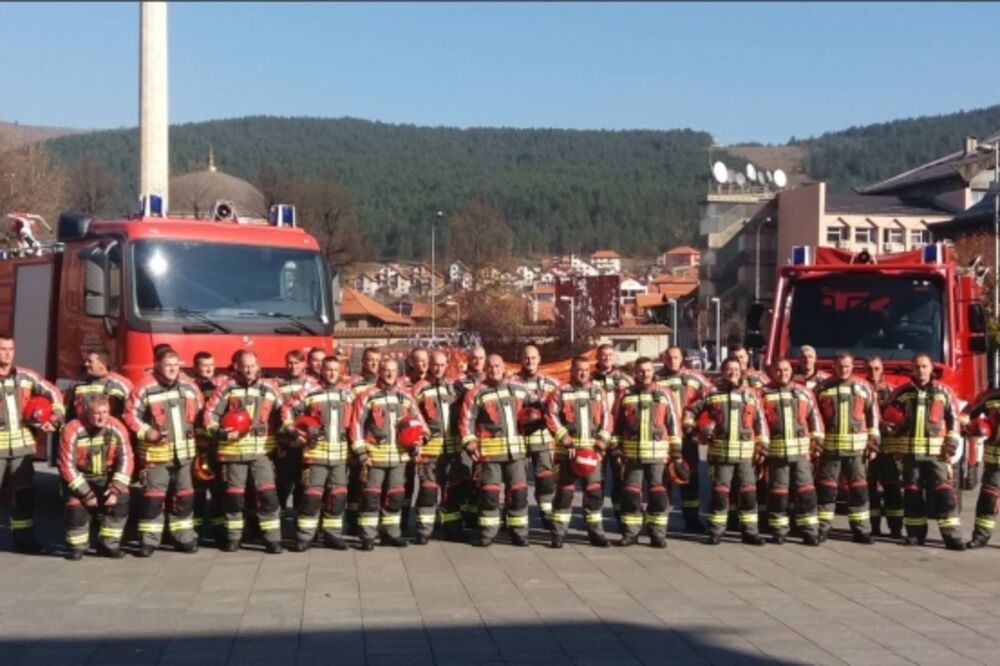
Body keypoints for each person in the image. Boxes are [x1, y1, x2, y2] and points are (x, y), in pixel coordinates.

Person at [124, 348, 203, 556]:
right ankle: (149, 541)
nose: (173, 369)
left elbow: (201, 412)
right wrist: (148, 432)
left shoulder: (189, 386)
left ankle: (183, 537)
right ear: (157, 365)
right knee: (153, 499)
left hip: (184, 456)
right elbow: (130, 416)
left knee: (184, 498)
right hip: (156, 455)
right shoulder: (144, 387)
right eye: (169, 365)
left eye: (176, 365)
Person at [205, 350, 285, 553]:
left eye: (252, 365)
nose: (248, 369)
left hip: (261, 453)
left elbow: (286, 412)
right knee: (234, 499)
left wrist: (289, 430)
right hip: (233, 453)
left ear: (258, 366)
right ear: (237, 367)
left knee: (268, 497)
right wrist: (220, 433)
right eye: (244, 365)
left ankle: (272, 539)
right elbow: (209, 414)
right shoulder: (226, 388)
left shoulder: (270, 388)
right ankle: (234, 538)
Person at [882, 353, 965, 550]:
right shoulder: (901, 393)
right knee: (912, 494)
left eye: (924, 366)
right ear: (912, 369)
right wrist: (892, 427)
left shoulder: (944, 392)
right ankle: (915, 535)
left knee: (944, 495)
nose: (921, 370)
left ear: (931, 369)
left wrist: (951, 445)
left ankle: (952, 536)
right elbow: (887, 415)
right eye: (917, 366)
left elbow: (955, 420)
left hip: (937, 456)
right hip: (911, 455)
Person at [687, 357, 768, 545]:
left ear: (742, 371)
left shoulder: (751, 395)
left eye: (736, 369)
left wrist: (762, 447)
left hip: (746, 456)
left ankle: (750, 532)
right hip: (721, 455)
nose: (733, 372)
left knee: (748, 494)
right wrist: (693, 430)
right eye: (729, 369)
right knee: (720, 494)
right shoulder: (710, 392)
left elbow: (761, 422)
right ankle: (716, 531)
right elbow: (690, 411)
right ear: (723, 372)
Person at [349, 358, 427, 550]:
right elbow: (356, 425)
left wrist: (420, 440)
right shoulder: (367, 396)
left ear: (398, 373)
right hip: (374, 458)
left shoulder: (405, 397)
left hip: (399, 459)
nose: (390, 374)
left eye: (393, 371)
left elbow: (422, 425)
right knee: (370, 498)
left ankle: (391, 533)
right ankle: (367, 536)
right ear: (379, 373)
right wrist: (360, 452)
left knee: (396, 497)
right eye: (386, 370)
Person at [282, 356, 354, 552]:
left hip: (339, 456)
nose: (332, 373)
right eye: (328, 369)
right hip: (315, 455)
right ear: (321, 370)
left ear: (341, 371)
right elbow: (287, 409)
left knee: (338, 497)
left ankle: (332, 535)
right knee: (311, 497)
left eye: (335, 369)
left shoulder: (347, 393)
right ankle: (305, 537)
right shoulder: (309, 390)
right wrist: (292, 430)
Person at [0, 335, 64, 553]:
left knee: (24, 497)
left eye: (10, 349)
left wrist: (54, 418)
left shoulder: (27, 377)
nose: (7, 353)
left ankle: (24, 541)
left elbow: (54, 393)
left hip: (22, 450)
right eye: (2, 349)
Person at [459, 353, 531, 547]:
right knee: (489, 496)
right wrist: (470, 443)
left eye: (497, 366)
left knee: (519, 495)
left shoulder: (519, 389)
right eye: (490, 367)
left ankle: (519, 533)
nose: (494, 370)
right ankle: (487, 533)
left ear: (504, 367)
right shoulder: (477, 393)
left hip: (516, 454)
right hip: (489, 455)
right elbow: (466, 420)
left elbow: (537, 407)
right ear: (485, 370)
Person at [611, 356, 682, 548]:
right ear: (635, 373)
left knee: (658, 497)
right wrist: (616, 450)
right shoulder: (625, 395)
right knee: (631, 497)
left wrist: (676, 453)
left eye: (648, 370)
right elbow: (616, 425)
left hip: (659, 457)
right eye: (641, 371)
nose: (645, 374)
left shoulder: (664, 394)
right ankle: (631, 534)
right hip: (633, 457)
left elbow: (674, 423)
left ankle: (657, 535)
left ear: (653, 372)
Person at [546, 355, 612, 548]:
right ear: (571, 370)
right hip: (568, 455)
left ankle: (596, 533)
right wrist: (565, 440)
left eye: (585, 369)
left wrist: (601, 444)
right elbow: (551, 417)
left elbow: (608, 419)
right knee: (565, 494)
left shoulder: (598, 392)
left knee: (594, 495)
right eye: (578, 369)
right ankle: (558, 534)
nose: (582, 373)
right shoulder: (560, 392)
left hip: (592, 455)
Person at [58, 395, 133, 560]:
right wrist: (85, 493)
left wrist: (115, 489)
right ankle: (77, 547)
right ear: (86, 413)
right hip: (80, 478)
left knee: (121, 500)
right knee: (76, 509)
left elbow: (126, 460)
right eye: (97, 413)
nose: (102, 417)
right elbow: (66, 465)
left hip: (106, 477)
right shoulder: (72, 429)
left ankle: (109, 545)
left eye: (105, 412)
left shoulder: (117, 427)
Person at [814, 352, 879, 544]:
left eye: (848, 367)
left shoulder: (864, 388)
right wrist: (816, 446)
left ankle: (861, 530)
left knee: (859, 491)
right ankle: (823, 529)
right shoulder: (822, 388)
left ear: (853, 367)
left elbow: (873, 417)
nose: (844, 370)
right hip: (830, 451)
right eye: (840, 366)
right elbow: (815, 418)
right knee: (826, 491)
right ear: (833, 366)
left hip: (856, 452)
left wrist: (873, 444)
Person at [761, 359, 823, 545]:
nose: (783, 373)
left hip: (802, 454)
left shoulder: (804, 392)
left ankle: (810, 531)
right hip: (777, 455)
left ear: (792, 370)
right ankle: (779, 531)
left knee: (807, 494)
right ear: (772, 372)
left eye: (786, 370)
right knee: (779, 494)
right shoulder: (762, 393)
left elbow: (815, 419)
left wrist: (818, 444)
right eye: (778, 370)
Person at [655, 345, 713, 533]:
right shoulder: (655, 380)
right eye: (669, 357)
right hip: (663, 439)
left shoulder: (694, 378)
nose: (673, 361)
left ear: (682, 359)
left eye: (676, 357)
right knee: (662, 480)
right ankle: (660, 522)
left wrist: (703, 422)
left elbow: (712, 395)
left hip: (687, 438)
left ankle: (692, 520)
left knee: (689, 479)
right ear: (664, 359)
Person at [411, 351, 459, 544]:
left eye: (442, 365)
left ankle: (451, 528)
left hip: (452, 450)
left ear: (447, 365)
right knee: (428, 491)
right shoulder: (419, 389)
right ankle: (424, 531)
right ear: (429, 365)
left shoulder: (454, 387)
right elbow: (412, 418)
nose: (438, 369)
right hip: (430, 451)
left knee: (452, 492)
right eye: (435, 365)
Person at [515, 345, 560, 527]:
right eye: (526, 357)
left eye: (533, 358)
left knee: (546, 480)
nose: (530, 361)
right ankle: (514, 514)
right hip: (518, 440)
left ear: (539, 359)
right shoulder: (511, 381)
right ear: (521, 359)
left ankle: (546, 513)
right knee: (517, 482)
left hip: (542, 441)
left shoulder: (552, 383)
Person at [591, 344, 633, 525]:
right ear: (597, 357)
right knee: (595, 480)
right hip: (596, 438)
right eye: (603, 355)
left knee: (620, 479)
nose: (607, 358)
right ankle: (594, 517)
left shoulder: (625, 380)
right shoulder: (589, 379)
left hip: (618, 438)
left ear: (614, 357)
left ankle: (620, 516)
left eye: (610, 355)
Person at [344, 347, 381, 535]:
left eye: (377, 360)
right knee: (356, 482)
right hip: (358, 441)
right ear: (363, 362)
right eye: (370, 360)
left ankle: (374, 522)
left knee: (375, 486)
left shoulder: (387, 383)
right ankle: (352, 522)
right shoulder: (352, 384)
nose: (374, 363)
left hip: (379, 444)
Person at [275, 349, 318, 513]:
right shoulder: (278, 384)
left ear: (304, 364)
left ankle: (301, 520)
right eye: (289, 363)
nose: (292, 366)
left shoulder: (313, 384)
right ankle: (278, 519)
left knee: (304, 485)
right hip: (285, 443)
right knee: (282, 484)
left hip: (306, 444)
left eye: (296, 363)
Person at [451, 345, 487, 531]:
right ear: (468, 359)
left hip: (488, 439)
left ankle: (479, 515)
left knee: (484, 480)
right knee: (465, 477)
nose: (478, 361)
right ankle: (465, 515)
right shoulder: (458, 382)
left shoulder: (492, 381)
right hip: (466, 438)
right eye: (474, 358)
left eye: (481, 358)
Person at [865, 356, 902, 538]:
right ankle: (873, 527)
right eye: (870, 369)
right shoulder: (860, 391)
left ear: (882, 370)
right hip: (869, 449)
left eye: (877, 369)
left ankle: (895, 529)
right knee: (869, 489)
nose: (873, 373)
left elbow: (903, 417)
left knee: (893, 488)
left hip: (888, 449)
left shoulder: (893, 392)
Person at [191, 351, 225, 542]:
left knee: (219, 490)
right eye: (204, 365)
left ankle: (218, 528)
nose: (209, 369)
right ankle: (196, 529)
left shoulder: (220, 387)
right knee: (197, 491)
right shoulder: (190, 388)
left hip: (217, 447)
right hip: (197, 447)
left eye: (211, 364)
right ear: (196, 367)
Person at [963, 386, 1000, 549]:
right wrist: (970, 426)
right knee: (988, 500)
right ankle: (980, 537)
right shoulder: (990, 397)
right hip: (995, 461)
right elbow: (966, 415)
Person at [66, 348, 133, 421]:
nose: (86, 364)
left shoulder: (121, 384)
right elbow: (67, 409)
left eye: (90, 361)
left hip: (110, 430)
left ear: (102, 364)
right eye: (86, 361)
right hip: (82, 430)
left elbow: (131, 411)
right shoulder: (77, 383)